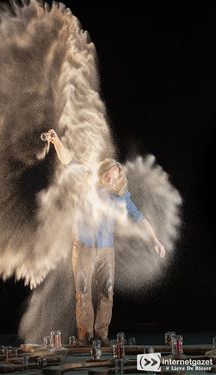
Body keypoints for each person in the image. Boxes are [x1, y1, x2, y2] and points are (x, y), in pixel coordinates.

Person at [43, 129, 165, 346]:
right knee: (83, 290)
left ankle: (101, 335)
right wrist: (56, 142)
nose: (111, 176)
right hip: (84, 246)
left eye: (116, 174)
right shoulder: (86, 180)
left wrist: (155, 240)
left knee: (107, 291)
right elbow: (68, 161)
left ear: (119, 178)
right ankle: (85, 337)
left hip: (106, 250)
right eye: (109, 172)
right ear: (103, 172)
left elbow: (139, 217)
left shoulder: (121, 196)